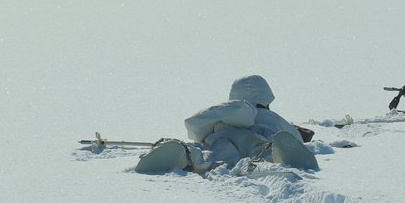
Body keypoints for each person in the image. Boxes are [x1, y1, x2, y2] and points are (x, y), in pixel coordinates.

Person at [134, 75, 319, 174]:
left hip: (221, 137)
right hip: (257, 138)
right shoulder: (268, 116)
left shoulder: (226, 113)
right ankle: (274, 159)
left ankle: (186, 155)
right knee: (265, 150)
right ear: (265, 97)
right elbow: (288, 133)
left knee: (209, 157)